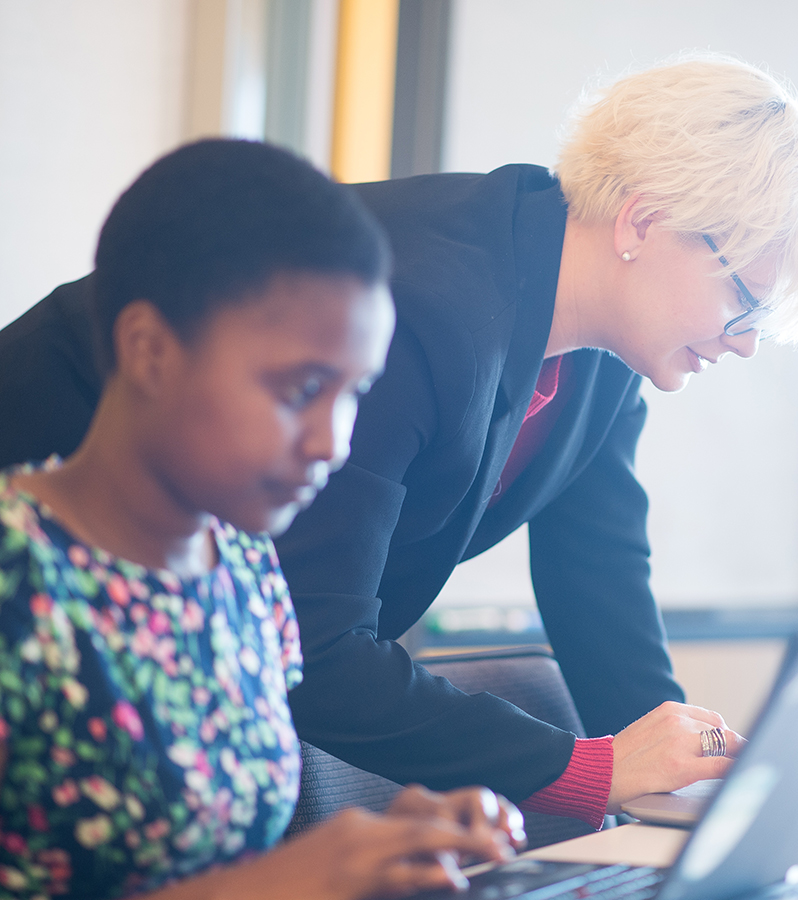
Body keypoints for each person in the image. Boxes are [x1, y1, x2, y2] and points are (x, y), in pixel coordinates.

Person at [0, 54, 798, 829]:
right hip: (57, 599)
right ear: (642, 222)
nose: (746, 341)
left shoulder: (606, 359)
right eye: (746, 301)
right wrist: (584, 768)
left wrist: (682, 783)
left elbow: (601, 586)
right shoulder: (417, 308)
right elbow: (317, 645)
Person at [0, 139, 529, 899]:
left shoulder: (245, 567)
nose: (334, 442)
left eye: (354, 394)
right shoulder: (18, 578)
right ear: (149, 351)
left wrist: (390, 848)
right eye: (300, 388)